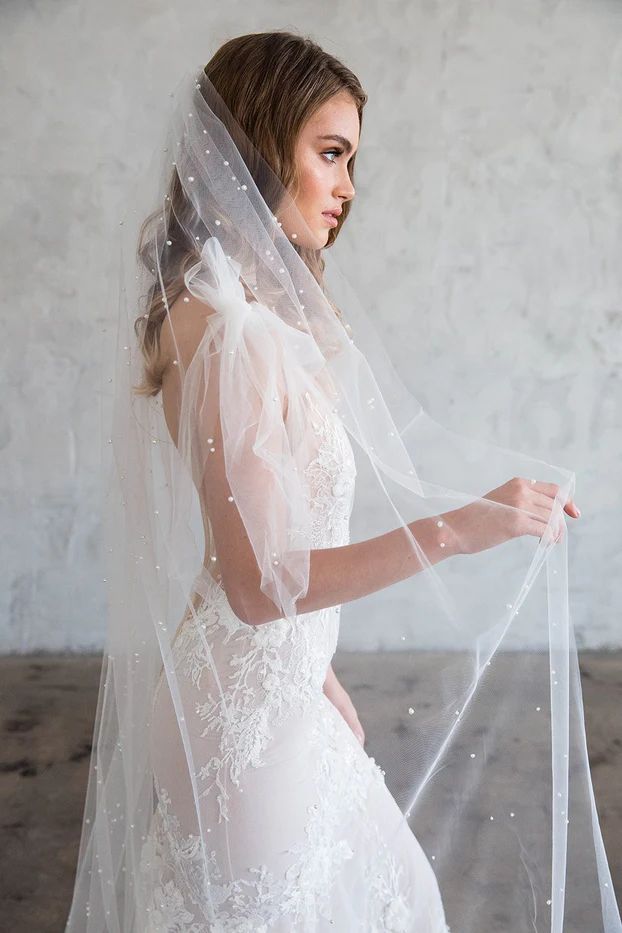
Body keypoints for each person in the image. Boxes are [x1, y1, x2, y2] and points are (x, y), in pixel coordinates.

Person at [65, 31, 620, 932]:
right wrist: (461, 526)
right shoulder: (236, 334)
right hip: (244, 731)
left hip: (265, 691)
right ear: (255, 144)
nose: (348, 188)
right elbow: (257, 583)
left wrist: (311, 671)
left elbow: (236, 548)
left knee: (397, 898)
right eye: (329, 154)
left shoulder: (220, 311)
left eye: (352, 159)